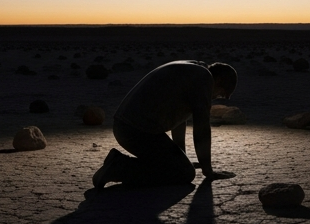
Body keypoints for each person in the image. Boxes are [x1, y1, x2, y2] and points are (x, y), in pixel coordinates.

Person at [93, 60, 237, 188]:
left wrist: (181, 158)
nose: (215, 98)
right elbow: (202, 127)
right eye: (220, 94)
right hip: (136, 132)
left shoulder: (195, 70)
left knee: (180, 167)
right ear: (218, 80)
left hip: (126, 127)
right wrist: (208, 170)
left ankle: (118, 164)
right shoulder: (204, 78)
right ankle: (119, 167)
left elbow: (179, 120)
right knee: (184, 174)